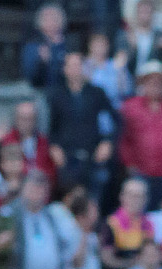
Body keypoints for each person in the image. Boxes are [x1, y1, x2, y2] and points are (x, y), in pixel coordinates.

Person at [47, 49, 116, 198]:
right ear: (64, 69)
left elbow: (112, 121)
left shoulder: (97, 93)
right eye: (71, 65)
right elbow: (51, 127)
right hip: (67, 158)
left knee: (93, 199)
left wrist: (108, 142)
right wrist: (54, 146)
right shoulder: (56, 96)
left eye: (79, 65)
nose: (75, 69)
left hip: (93, 157)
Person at [119, 61, 162, 209]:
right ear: (143, 83)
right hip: (140, 171)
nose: (155, 85)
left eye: (159, 81)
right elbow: (124, 138)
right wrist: (129, 162)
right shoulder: (130, 107)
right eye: (151, 81)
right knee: (139, 211)